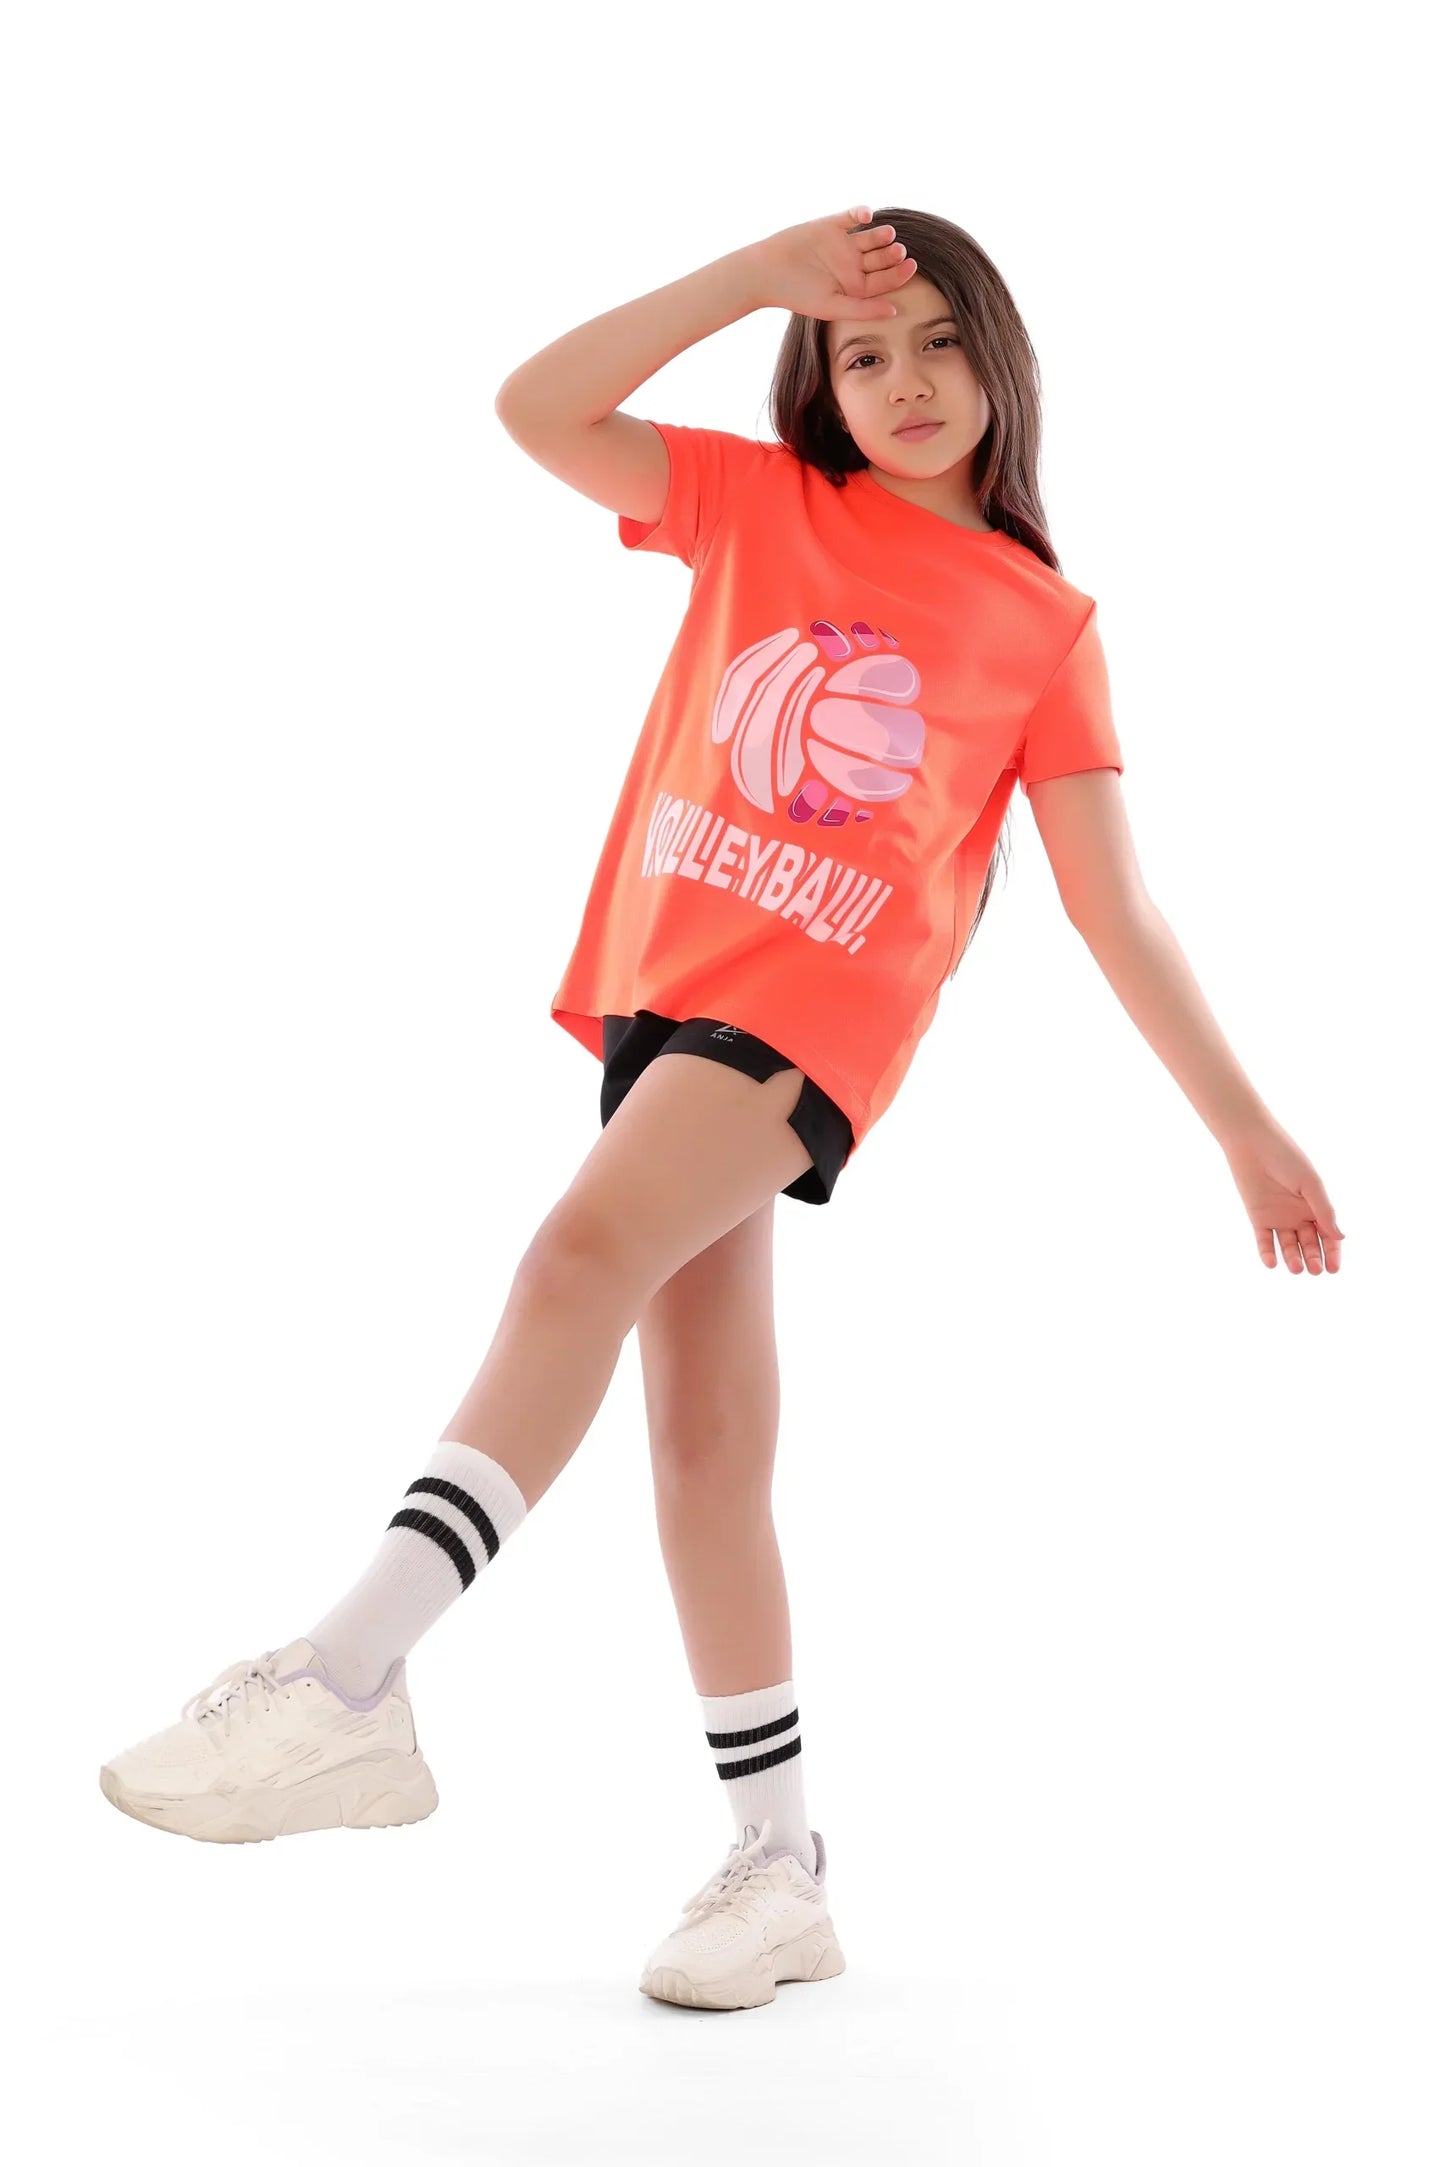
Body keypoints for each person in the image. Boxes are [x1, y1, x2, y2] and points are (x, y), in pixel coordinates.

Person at [98, 204, 1347, 2012]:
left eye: (936, 345)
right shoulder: (764, 502)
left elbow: (1110, 900)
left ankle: (348, 1681)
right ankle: (780, 1874)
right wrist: (742, 281)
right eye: (862, 352)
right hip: (667, 996)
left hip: (809, 1016)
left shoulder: (1042, 622)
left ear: (1001, 361)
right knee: (704, 1448)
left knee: (570, 1255)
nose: (904, 385)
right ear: (817, 379)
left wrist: (1243, 1125)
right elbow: (535, 407)